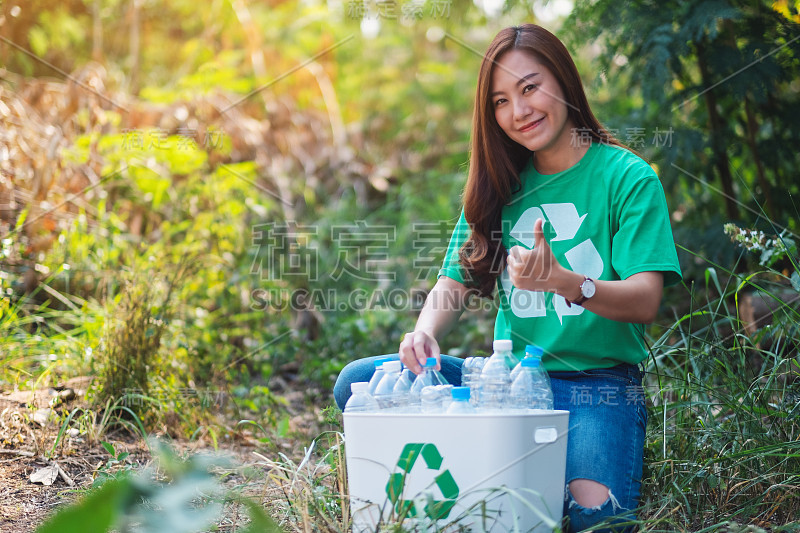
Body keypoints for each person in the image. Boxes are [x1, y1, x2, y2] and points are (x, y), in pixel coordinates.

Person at [333, 24, 681, 532]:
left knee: (591, 519)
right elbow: (453, 281)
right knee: (359, 383)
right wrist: (425, 331)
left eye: (530, 87)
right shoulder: (503, 183)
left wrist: (566, 282)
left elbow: (645, 299)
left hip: (598, 387)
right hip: (507, 387)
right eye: (500, 100)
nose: (519, 111)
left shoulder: (628, 178)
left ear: (564, 82)